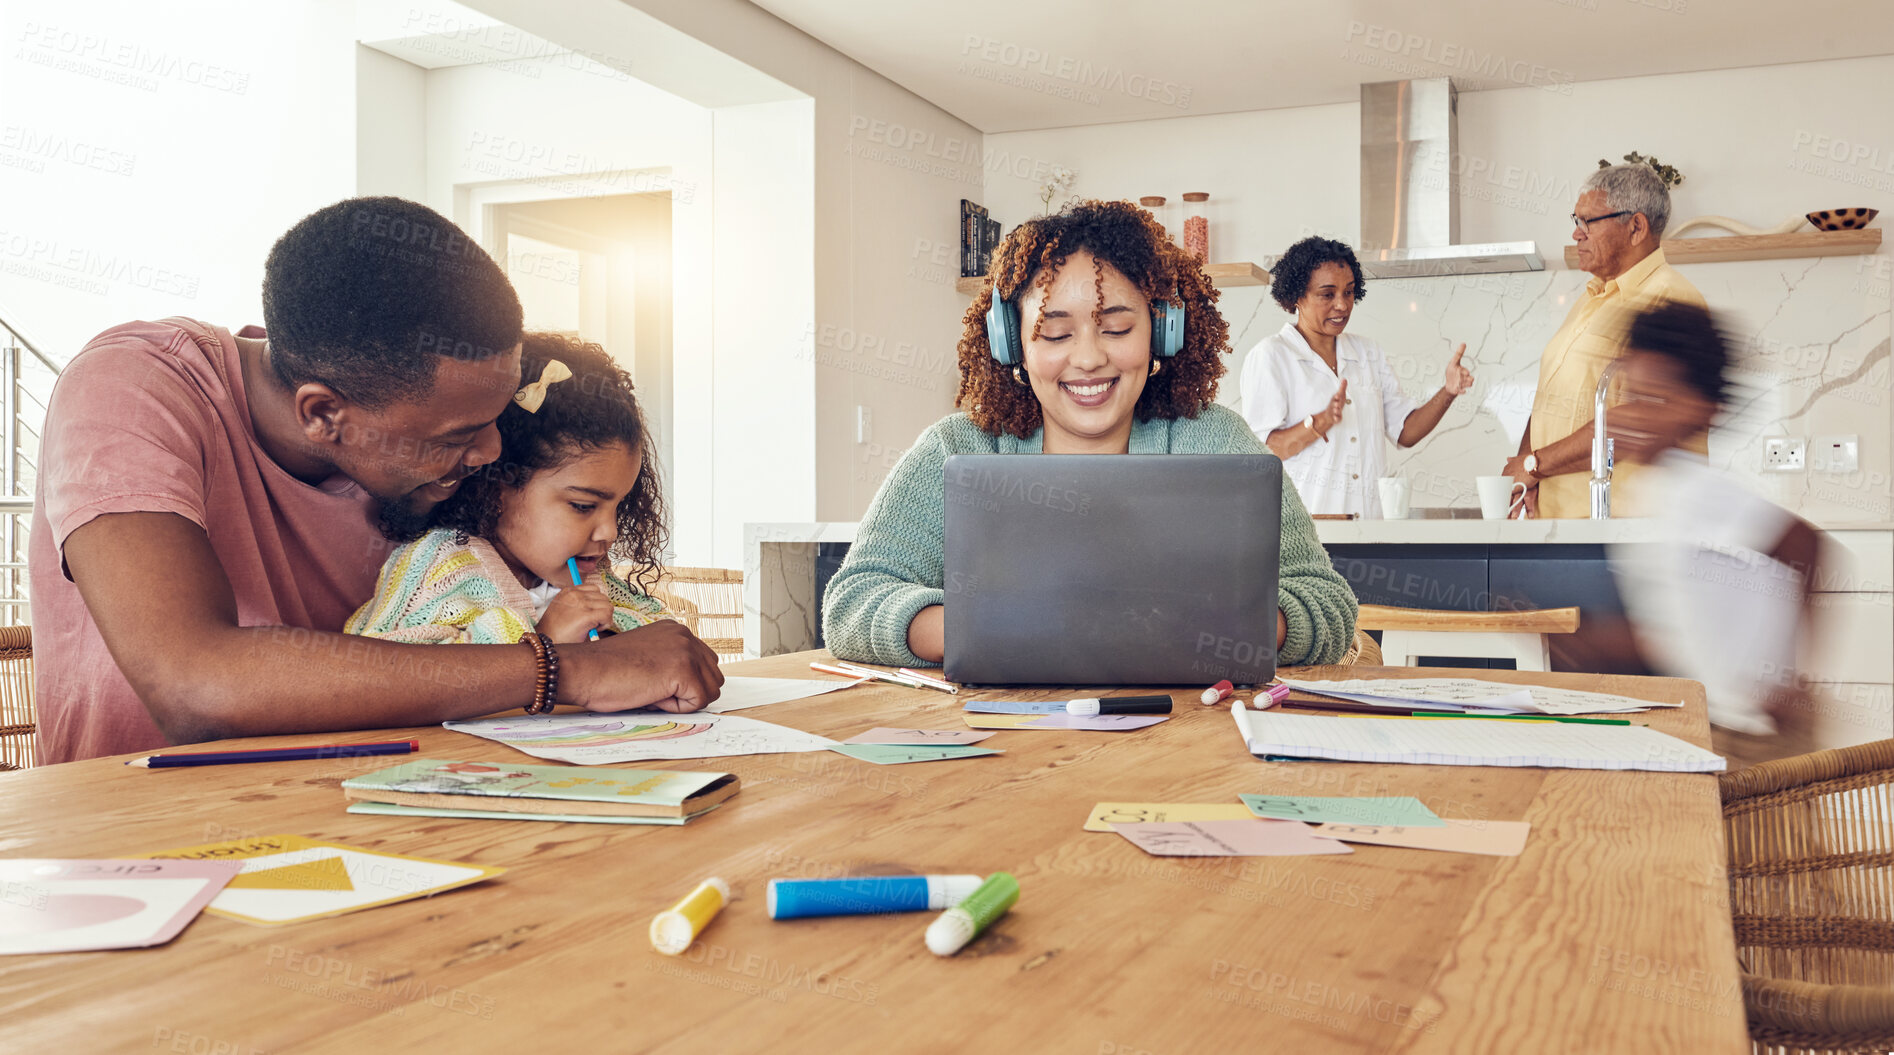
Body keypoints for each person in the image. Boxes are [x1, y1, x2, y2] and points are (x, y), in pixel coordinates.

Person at [32, 197, 721, 764]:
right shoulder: (132, 390)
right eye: (455, 437)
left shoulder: (404, 432)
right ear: (325, 414)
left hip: (362, 807)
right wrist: (564, 671)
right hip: (139, 840)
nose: (489, 452)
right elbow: (194, 685)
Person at [822, 199, 1358, 668]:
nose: (1088, 357)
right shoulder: (956, 449)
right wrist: (1004, 630)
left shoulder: (1213, 439)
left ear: (1163, 332)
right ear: (1013, 343)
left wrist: (1220, 631)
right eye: (1054, 332)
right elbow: (852, 603)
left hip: (1183, 741)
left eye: (1118, 328)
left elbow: (1327, 603)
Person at [1605, 301, 1823, 768]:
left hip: (1756, 736)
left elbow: (1808, 545)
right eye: (1631, 394)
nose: (1635, 415)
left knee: (1767, 841)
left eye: (1656, 400)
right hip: (1712, 722)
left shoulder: (1698, 489)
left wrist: (1790, 676)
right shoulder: (1652, 488)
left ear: (1706, 410)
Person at [346, 332, 669, 645]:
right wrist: (544, 638)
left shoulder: (592, 576)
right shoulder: (440, 563)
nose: (609, 532)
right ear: (498, 487)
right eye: (583, 506)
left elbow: (659, 627)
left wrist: (610, 629)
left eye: (619, 505)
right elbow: (394, 669)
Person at [1504, 163, 1707, 517]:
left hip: (1626, 532)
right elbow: (1547, 399)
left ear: (1636, 227)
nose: (1576, 234)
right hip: (1566, 528)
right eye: (1576, 220)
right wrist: (1526, 466)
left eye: (1588, 222)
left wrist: (1536, 464)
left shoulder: (1670, 301)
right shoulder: (1589, 299)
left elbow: (1643, 422)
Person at [1238, 237, 1473, 516]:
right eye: (1328, 294)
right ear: (1297, 297)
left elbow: (1406, 432)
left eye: (1348, 292)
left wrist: (1447, 391)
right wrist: (1319, 422)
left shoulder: (1367, 352)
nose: (1342, 305)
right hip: (1307, 532)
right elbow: (1263, 455)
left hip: (1369, 528)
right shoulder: (1271, 356)